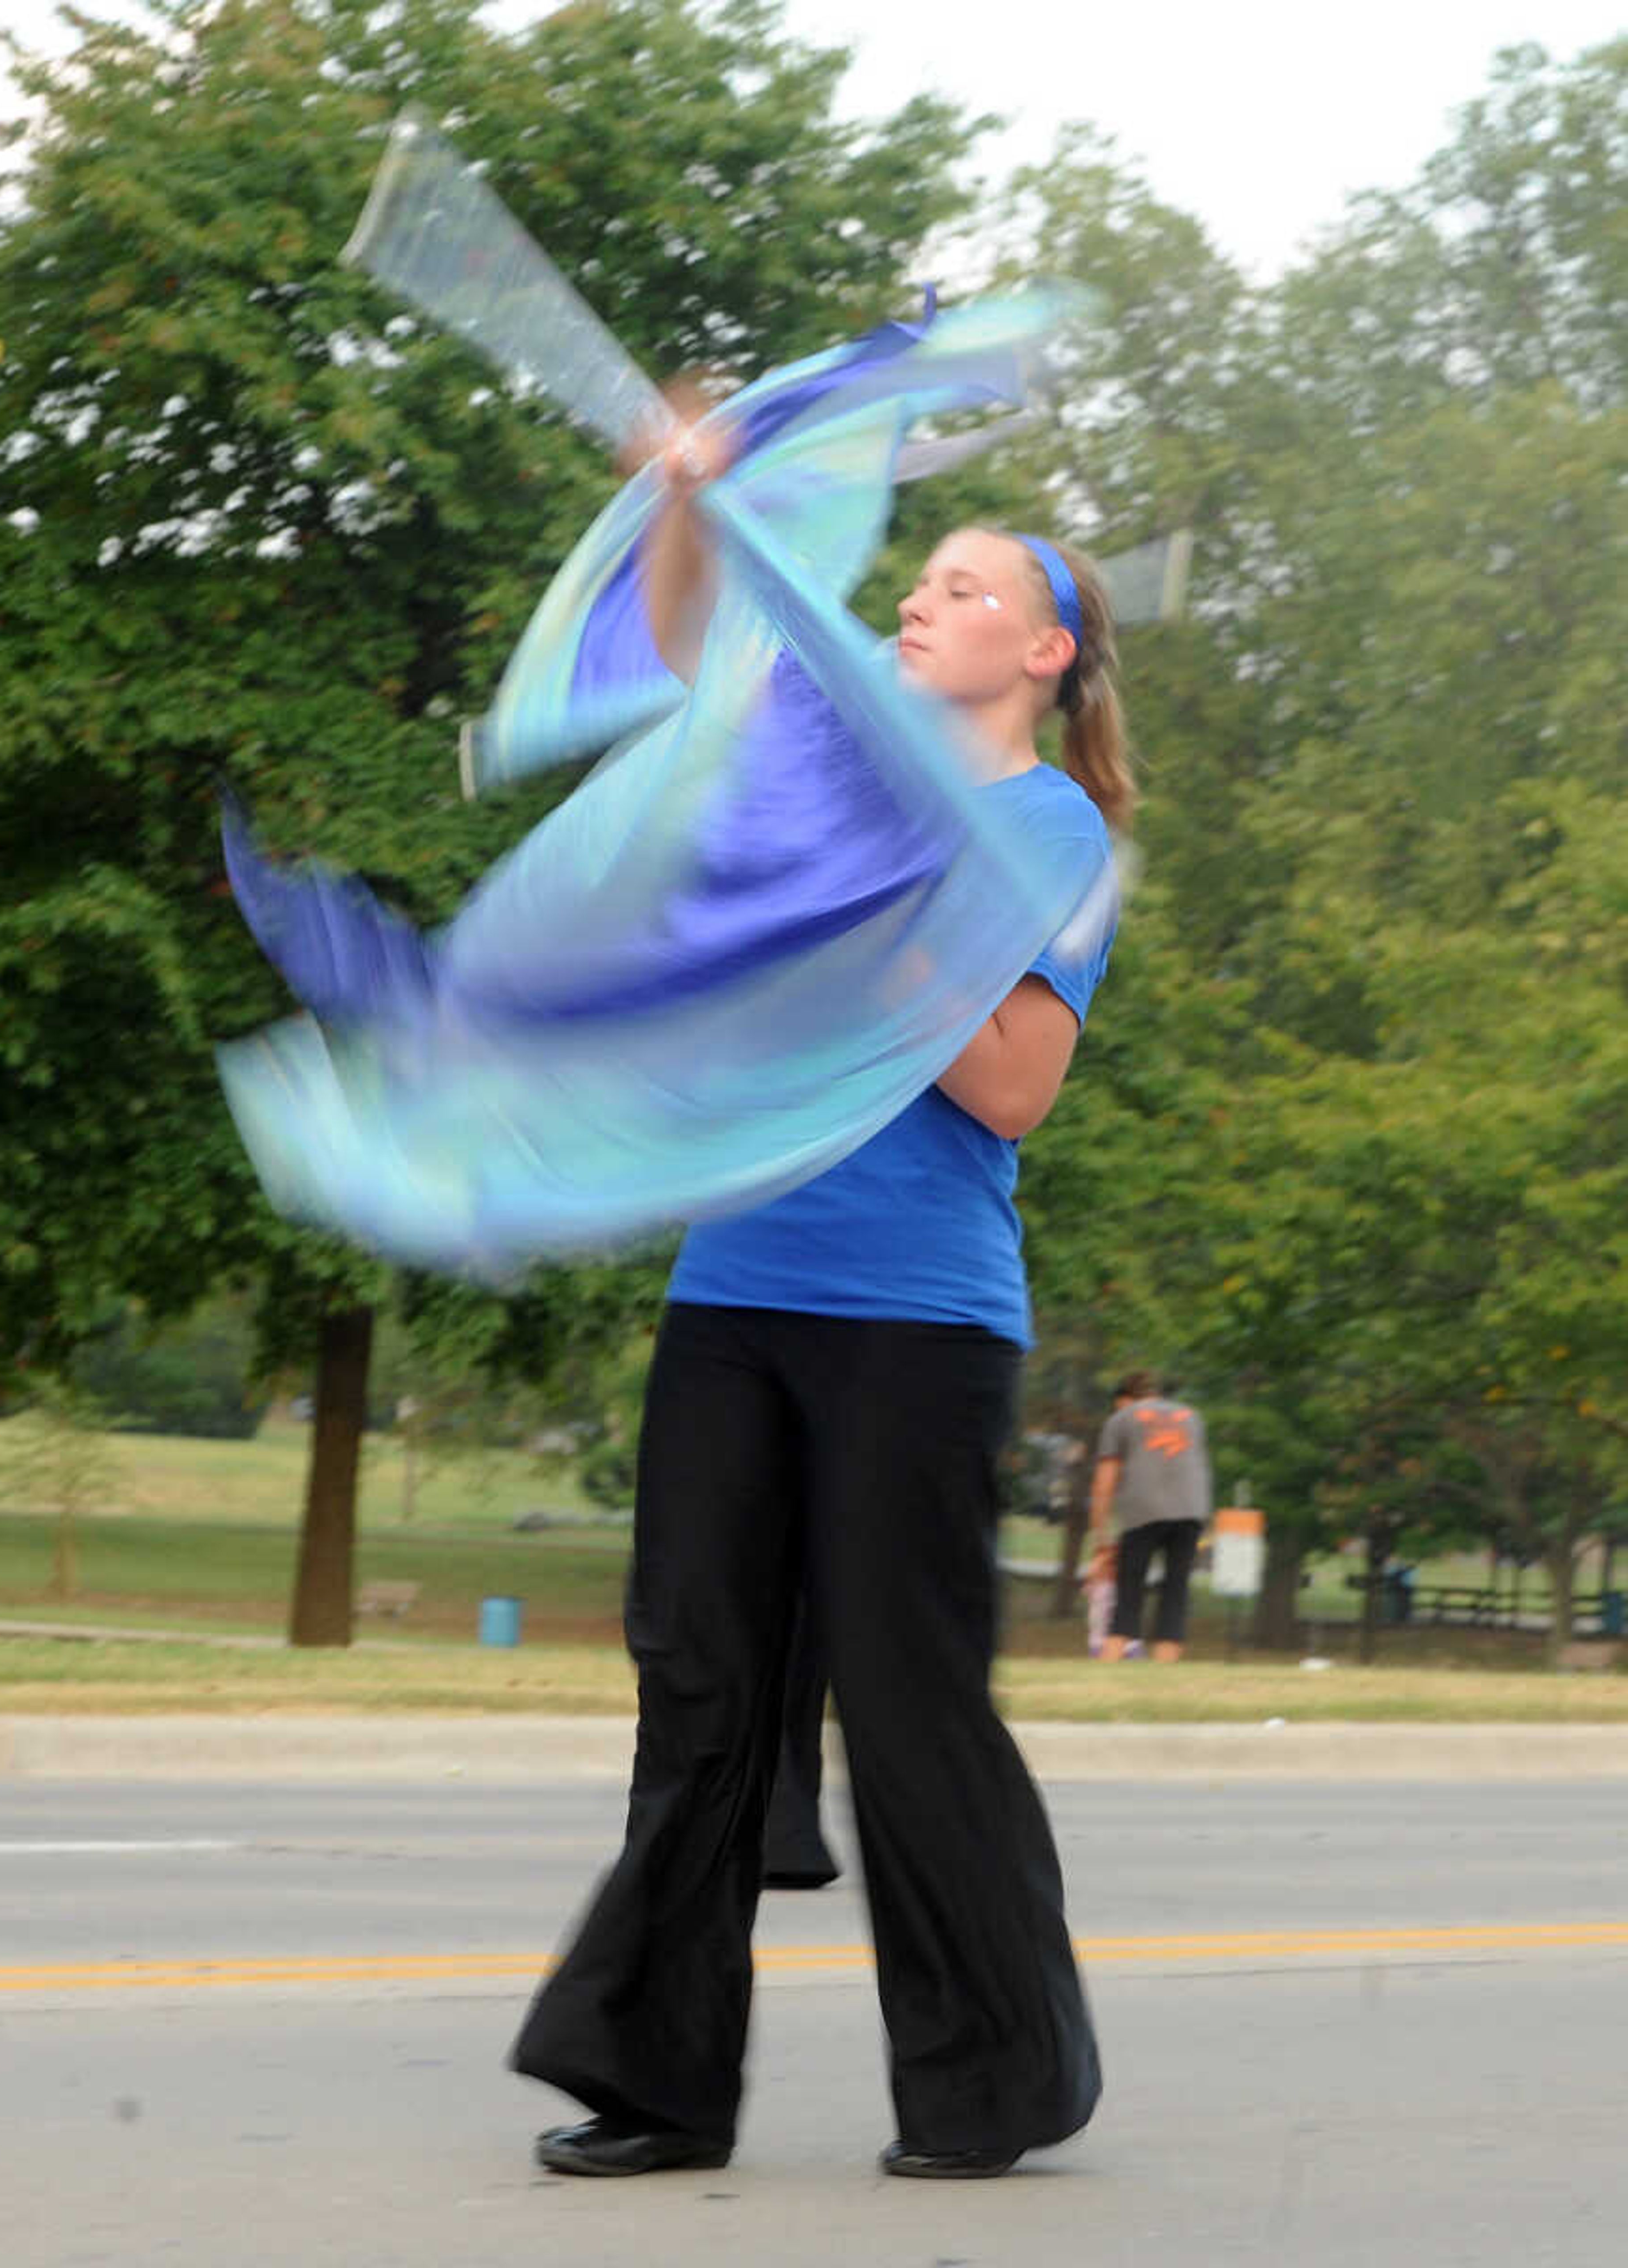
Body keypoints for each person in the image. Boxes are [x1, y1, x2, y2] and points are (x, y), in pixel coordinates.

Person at [510, 403, 1132, 2180]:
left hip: (919, 1322)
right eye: (917, 581)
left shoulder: (1050, 833)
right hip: (740, 1287)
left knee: (909, 1695)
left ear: (1043, 647)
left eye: (961, 586)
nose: (919, 605)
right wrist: (688, 497)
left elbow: (1010, 1083)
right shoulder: (829, 760)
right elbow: (690, 635)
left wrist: (883, 905)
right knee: (698, 1678)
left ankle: (990, 2083)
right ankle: (656, 2081)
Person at [1087, 1372, 1212, 1663]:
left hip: (1142, 1510)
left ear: (1124, 1399)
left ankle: (1113, 1658)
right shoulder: (1192, 1416)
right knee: (1176, 1588)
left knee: (1129, 1589)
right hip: (1191, 1509)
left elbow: (1104, 1483)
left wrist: (1101, 1536)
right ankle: (1166, 1665)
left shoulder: (1120, 1419)